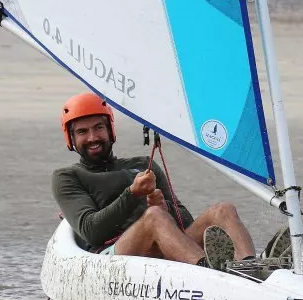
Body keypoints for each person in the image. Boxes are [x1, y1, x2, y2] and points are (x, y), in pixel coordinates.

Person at [50, 92, 257, 271]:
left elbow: (185, 223)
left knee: (223, 210)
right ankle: (206, 270)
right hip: (112, 258)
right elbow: (92, 232)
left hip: (165, 246)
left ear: (110, 130)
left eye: (98, 128)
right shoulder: (67, 177)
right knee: (154, 217)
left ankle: (251, 267)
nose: (93, 137)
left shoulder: (143, 164)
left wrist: (166, 207)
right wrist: (132, 194)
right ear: (70, 138)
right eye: (82, 132)